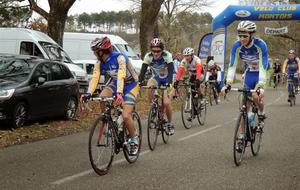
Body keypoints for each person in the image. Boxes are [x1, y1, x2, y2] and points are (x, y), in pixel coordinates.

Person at [81, 36, 140, 155]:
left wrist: (119, 93)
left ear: (102, 51)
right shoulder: (99, 62)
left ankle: (134, 139)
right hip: (115, 82)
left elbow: (121, 75)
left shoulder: (120, 58)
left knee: (126, 115)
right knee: (102, 97)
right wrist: (88, 93)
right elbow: (95, 78)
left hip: (131, 84)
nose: (94, 54)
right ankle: (107, 120)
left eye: (95, 51)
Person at [225, 21, 269, 139]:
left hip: (261, 72)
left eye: (245, 36)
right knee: (244, 105)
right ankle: (242, 135)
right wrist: (228, 83)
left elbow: (263, 65)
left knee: (255, 96)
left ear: (251, 35)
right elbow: (232, 65)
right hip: (249, 72)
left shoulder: (260, 45)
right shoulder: (236, 45)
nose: (242, 38)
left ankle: (262, 112)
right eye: (240, 35)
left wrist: (260, 85)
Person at [138, 37, 175, 135]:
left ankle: (170, 124)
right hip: (157, 78)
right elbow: (143, 71)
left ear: (162, 50)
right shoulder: (148, 56)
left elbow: (171, 70)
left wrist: (170, 83)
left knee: (166, 103)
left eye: (158, 51)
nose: (155, 53)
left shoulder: (167, 55)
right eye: (153, 51)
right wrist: (139, 82)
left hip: (168, 79)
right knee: (149, 85)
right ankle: (154, 107)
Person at [173, 47, 204, 117]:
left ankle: (201, 98)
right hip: (192, 74)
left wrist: (198, 79)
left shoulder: (197, 60)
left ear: (192, 55)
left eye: (188, 56)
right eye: (185, 56)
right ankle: (193, 108)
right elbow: (180, 71)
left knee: (197, 85)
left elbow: (199, 70)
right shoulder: (184, 61)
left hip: (200, 74)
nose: (186, 57)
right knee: (189, 87)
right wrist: (177, 80)